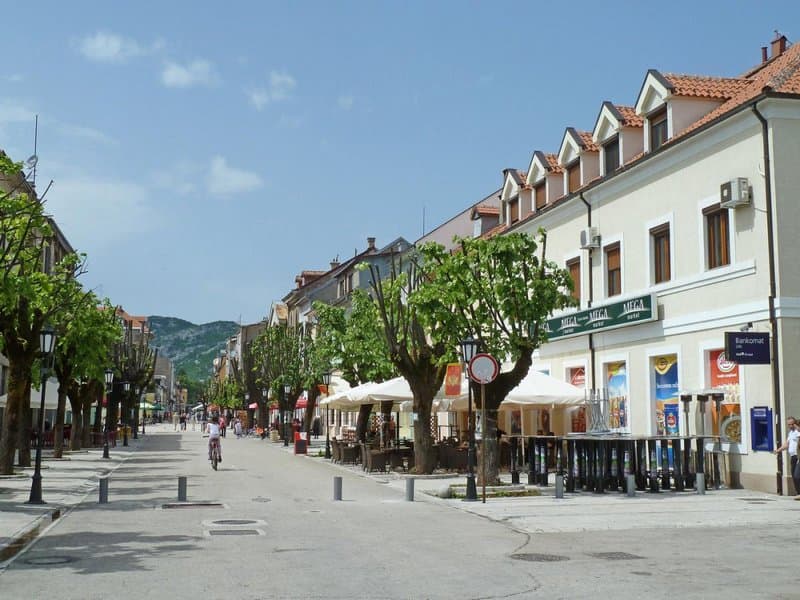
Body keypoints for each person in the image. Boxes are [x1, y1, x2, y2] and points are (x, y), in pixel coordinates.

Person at [775, 416, 800, 498]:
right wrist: (778, 450)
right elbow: (787, 444)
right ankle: (798, 493)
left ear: (795, 423)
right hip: (793, 456)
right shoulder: (791, 433)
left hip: (798, 456)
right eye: (789, 424)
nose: (790, 426)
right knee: (793, 474)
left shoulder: (798, 432)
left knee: (797, 475)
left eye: (792, 424)